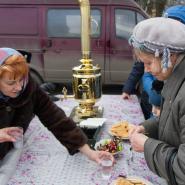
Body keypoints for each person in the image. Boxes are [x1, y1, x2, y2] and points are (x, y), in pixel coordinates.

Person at [0, 47, 114, 164]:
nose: (19, 87)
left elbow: (57, 120)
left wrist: (90, 152)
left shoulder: (29, 88)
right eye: (11, 83)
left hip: (12, 155)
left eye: (21, 79)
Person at [128, 17, 185, 185]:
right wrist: (146, 128)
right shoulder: (175, 77)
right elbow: (173, 122)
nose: (146, 70)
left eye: (149, 62)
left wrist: (147, 146)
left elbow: (182, 169)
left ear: (171, 56)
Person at [122, 5, 185, 119]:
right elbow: (139, 66)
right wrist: (128, 88)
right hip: (150, 104)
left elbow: (159, 98)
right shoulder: (152, 50)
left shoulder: (175, 78)